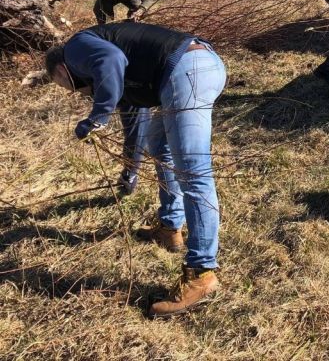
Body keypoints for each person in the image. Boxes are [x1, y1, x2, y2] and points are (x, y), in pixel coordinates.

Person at [44, 22, 227, 317]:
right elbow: (135, 121)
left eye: (66, 85)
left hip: (187, 70)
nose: (76, 91)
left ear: (63, 70)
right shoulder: (114, 70)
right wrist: (129, 167)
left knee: (194, 175)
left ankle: (201, 274)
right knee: (160, 145)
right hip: (194, 67)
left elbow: (111, 60)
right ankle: (170, 227)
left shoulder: (75, 48)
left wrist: (98, 115)